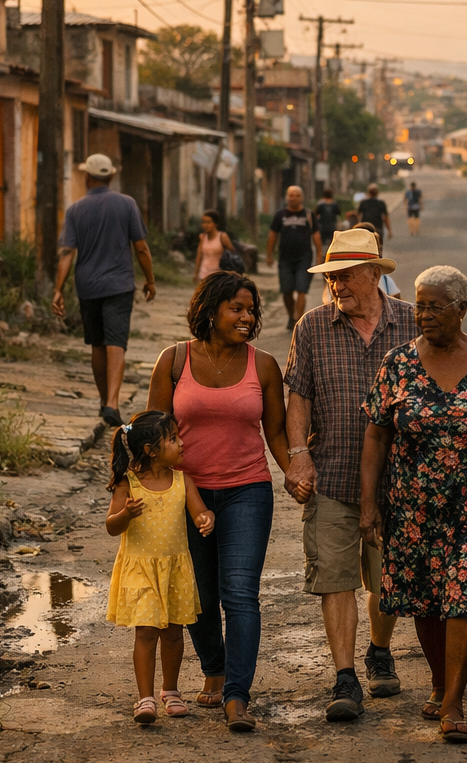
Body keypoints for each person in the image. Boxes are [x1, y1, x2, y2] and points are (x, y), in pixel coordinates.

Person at [360, 266, 467, 743]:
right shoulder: (398, 363)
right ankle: (440, 681)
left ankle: (455, 701)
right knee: (426, 602)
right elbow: (376, 435)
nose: (423, 315)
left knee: (464, 595)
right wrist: (368, 506)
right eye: (419, 305)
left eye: (435, 306)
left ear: (461, 309)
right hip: (414, 509)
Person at [283, 228, 419, 721]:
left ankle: (379, 649)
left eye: (344, 276)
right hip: (334, 473)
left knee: (386, 582)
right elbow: (297, 394)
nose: (336, 285)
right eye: (331, 277)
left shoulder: (411, 323)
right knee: (335, 578)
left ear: (374, 275)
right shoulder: (313, 327)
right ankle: (345, 677)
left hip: (398, 483)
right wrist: (299, 453)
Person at [145, 271, 289, 732]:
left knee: (241, 593)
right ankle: (215, 665)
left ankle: (236, 695)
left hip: (247, 489)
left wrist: (298, 474)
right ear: (209, 311)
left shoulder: (263, 365)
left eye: (252, 310)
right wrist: (134, 491)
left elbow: (277, 434)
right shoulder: (174, 360)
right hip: (184, 496)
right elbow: (149, 432)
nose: (248, 318)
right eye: (237, 309)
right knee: (199, 597)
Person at [103, 410, 216, 723]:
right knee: (146, 634)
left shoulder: (182, 480)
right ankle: (145, 698)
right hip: (141, 570)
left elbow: (200, 512)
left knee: (174, 634)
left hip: (175, 569)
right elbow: (112, 526)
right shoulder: (129, 485)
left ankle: (171, 690)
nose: (181, 444)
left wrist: (207, 519)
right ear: (151, 449)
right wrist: (126, 514)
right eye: (173, 439)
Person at [52, 153, 156, 429]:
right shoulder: (126, 204)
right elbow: (141, 248)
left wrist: (58, 290)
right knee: (116, 343)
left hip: (87, 286)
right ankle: (112, 402)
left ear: (87, 177)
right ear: (111, 176)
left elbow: (66, 253)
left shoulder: (75, 209)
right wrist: (150, 280)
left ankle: (103, 401)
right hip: (119, 285)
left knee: (97, 344)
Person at [267, 185, 325, 331]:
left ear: (302, 198)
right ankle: (291, 317)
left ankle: (298, 322)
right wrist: (269, 254)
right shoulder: (280, 215)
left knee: (301, 289)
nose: (294, 198)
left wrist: (319, 255)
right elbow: (273, 235)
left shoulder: (308, 215)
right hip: (285, 258)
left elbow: (316, 235)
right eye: (291, 195)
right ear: (287, 197)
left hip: (304, 258)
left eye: (297, 195)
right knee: (286, 291)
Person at [320, 223, 401, 305]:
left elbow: (397, 300)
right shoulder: (319, 317)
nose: (338, 287)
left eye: (346, 277)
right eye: (332, 278)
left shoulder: (405, 314)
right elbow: (326, 301)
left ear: (375, 275)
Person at [195, 210, 237, 284]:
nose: (205, 225)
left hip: (219, 276)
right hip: (204, 275)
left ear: (216, 223)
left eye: (208, 222)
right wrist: (196, 274)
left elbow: (232, 254)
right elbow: (199, 256)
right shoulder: (202, 237)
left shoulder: (222, 237)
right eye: (203, 222)